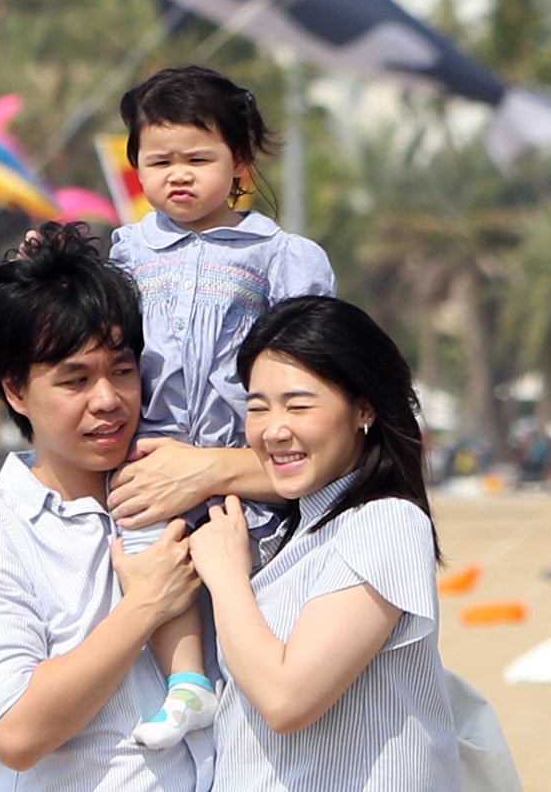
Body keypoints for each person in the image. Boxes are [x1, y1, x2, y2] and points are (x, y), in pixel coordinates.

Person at [95, 67, 336, 753]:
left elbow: (318, 365)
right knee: (151, 553)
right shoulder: (126, 253)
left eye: (198, 159)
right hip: (152, 451)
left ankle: (245, 693)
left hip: (247, 459)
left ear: (239, 163)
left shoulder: (279, 256)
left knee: (251, 580)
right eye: (158, 160)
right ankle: (187, 684)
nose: (178, 175)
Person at [0, 226, 204, 792]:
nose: (107, 400)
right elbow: (16, 733)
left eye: (123, 370)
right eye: (75, 380)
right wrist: (147, 604)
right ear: (15, 390)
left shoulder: (187, 483)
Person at [187, 297, 454, 792]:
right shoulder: (297, 535)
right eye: (258, 407)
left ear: (364, 407)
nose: (274, 430)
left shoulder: (387, 523)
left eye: (299, 405)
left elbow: (286, 698)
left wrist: (226, 579)